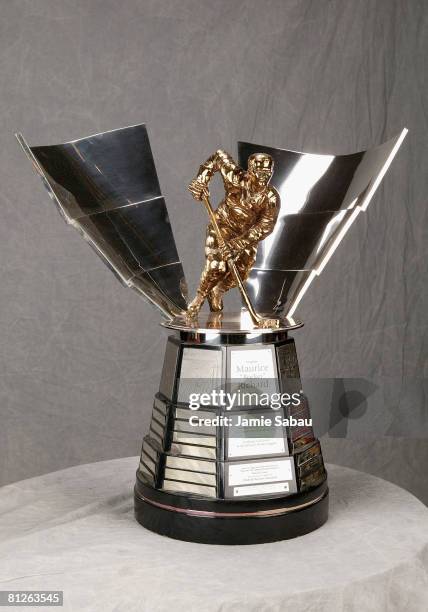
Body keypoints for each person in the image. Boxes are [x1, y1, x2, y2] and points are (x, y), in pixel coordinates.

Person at [187, 149, 280, 317]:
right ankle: (199, 299)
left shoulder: (270, 197)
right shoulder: (235, 178)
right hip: (222, 226)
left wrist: (238, 244)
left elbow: (265, 226)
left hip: (245, 236)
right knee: (218, 265)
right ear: (251, 171)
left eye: (268, 173)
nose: (264, 178)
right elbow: (218, 156)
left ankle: (217, 290)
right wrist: (202, 179)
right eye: (260, 172)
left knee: (242, 273)